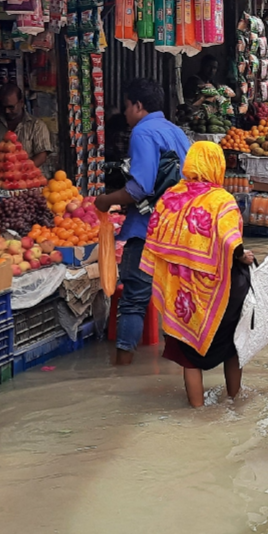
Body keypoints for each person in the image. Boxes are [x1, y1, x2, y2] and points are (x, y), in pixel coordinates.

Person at [142, 142, 253, 407]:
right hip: (219, 291)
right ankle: (235, 403)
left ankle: (197, 411)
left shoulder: (170, 197)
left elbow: (155, 238)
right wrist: (242, 257)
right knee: (232, 347)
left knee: (189, 357)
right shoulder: (221, 199)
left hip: (180, 291)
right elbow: (230, 242)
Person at [95, 78, 191, 365]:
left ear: (138, 106)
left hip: (150, 229)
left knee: (134, 299)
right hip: (181, 227)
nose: (124, 114)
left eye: (126, 107)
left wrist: (105, 200)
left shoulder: (142, 132)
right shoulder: (176, 132)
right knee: (175, 298)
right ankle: (181, 364)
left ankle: (122, 366)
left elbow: (140, 188)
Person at [0, 83, 55, 176]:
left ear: (21, 102)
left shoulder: (36, 125)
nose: (7, 111)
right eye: (3, 107)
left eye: (11, 107)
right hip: (3, 177)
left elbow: (42, 156)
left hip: (30, 178)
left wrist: (22, 173)